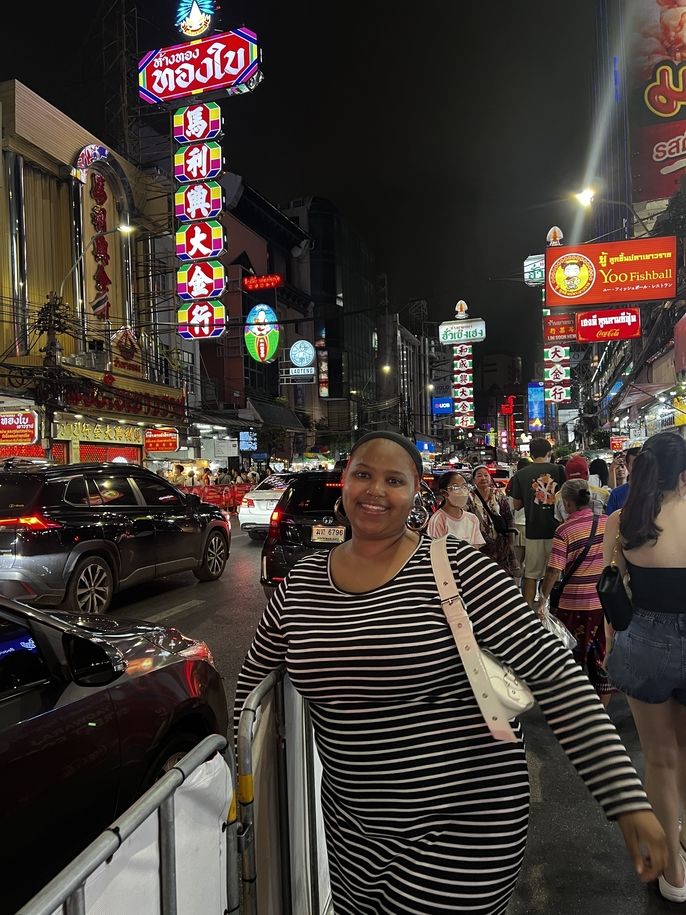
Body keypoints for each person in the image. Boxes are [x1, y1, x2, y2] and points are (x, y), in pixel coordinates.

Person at [234, 430, 666, 915]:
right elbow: (250, 692)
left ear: (417, 492)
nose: (375, 490)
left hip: (464, 831)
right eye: (363, 474)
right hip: (353, 839)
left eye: (394, 479)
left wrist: (626, 799)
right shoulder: (303, 585)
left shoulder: (454, 568)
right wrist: (238, 787)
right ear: (345, 482)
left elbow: (556, 675)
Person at [602, 431, 686, 903]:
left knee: (659, 758)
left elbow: (610, 584)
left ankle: (674, 873)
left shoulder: (623, 518)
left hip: (645, 644)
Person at [537, 479, 611, 706]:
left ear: (567, 503)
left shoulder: (565, 529)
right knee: (601, 657)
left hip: (574, 603)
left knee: (572, 657)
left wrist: (543, 598)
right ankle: (603, 713)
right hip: (604, 604)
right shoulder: (608, 523)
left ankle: (577, 708)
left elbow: (554, 570)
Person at [509, 437, 565, 607]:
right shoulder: (560, 470)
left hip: (533, 531)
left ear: (531, 454)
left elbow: (517, 505)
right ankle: (552, 609)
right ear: (549, 453)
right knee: (556, 573)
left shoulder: (520, 474)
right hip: (559, 533)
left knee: (531, 575)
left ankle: (529, 617)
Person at [468, 464, 519, 575]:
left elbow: (508, 517)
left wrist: (510, 543)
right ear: (473, 480)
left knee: (501, 575)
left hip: (500, 545)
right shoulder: (469, 497)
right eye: (479, 476)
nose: (483, 478)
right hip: (480, 545)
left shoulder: (498, 494)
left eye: (486, 475)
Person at [426, 471, 485, 547]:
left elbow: (475, 547)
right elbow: (435, 549)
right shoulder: (438, 520)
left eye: (464, 487)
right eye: (456, 488)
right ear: (444, 493)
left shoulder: (472, 519)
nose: (462, 492)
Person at [554, 454, 610, 523]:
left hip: (570, 532)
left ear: (566, 475)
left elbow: (560, 521)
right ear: (587, 474)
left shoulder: (559, 496)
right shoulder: (603, 493)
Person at [607, 446, 642, 513]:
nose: (640, 467)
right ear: (627, 465)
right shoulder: (616, 494)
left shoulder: (658, 492)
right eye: (635, 464)